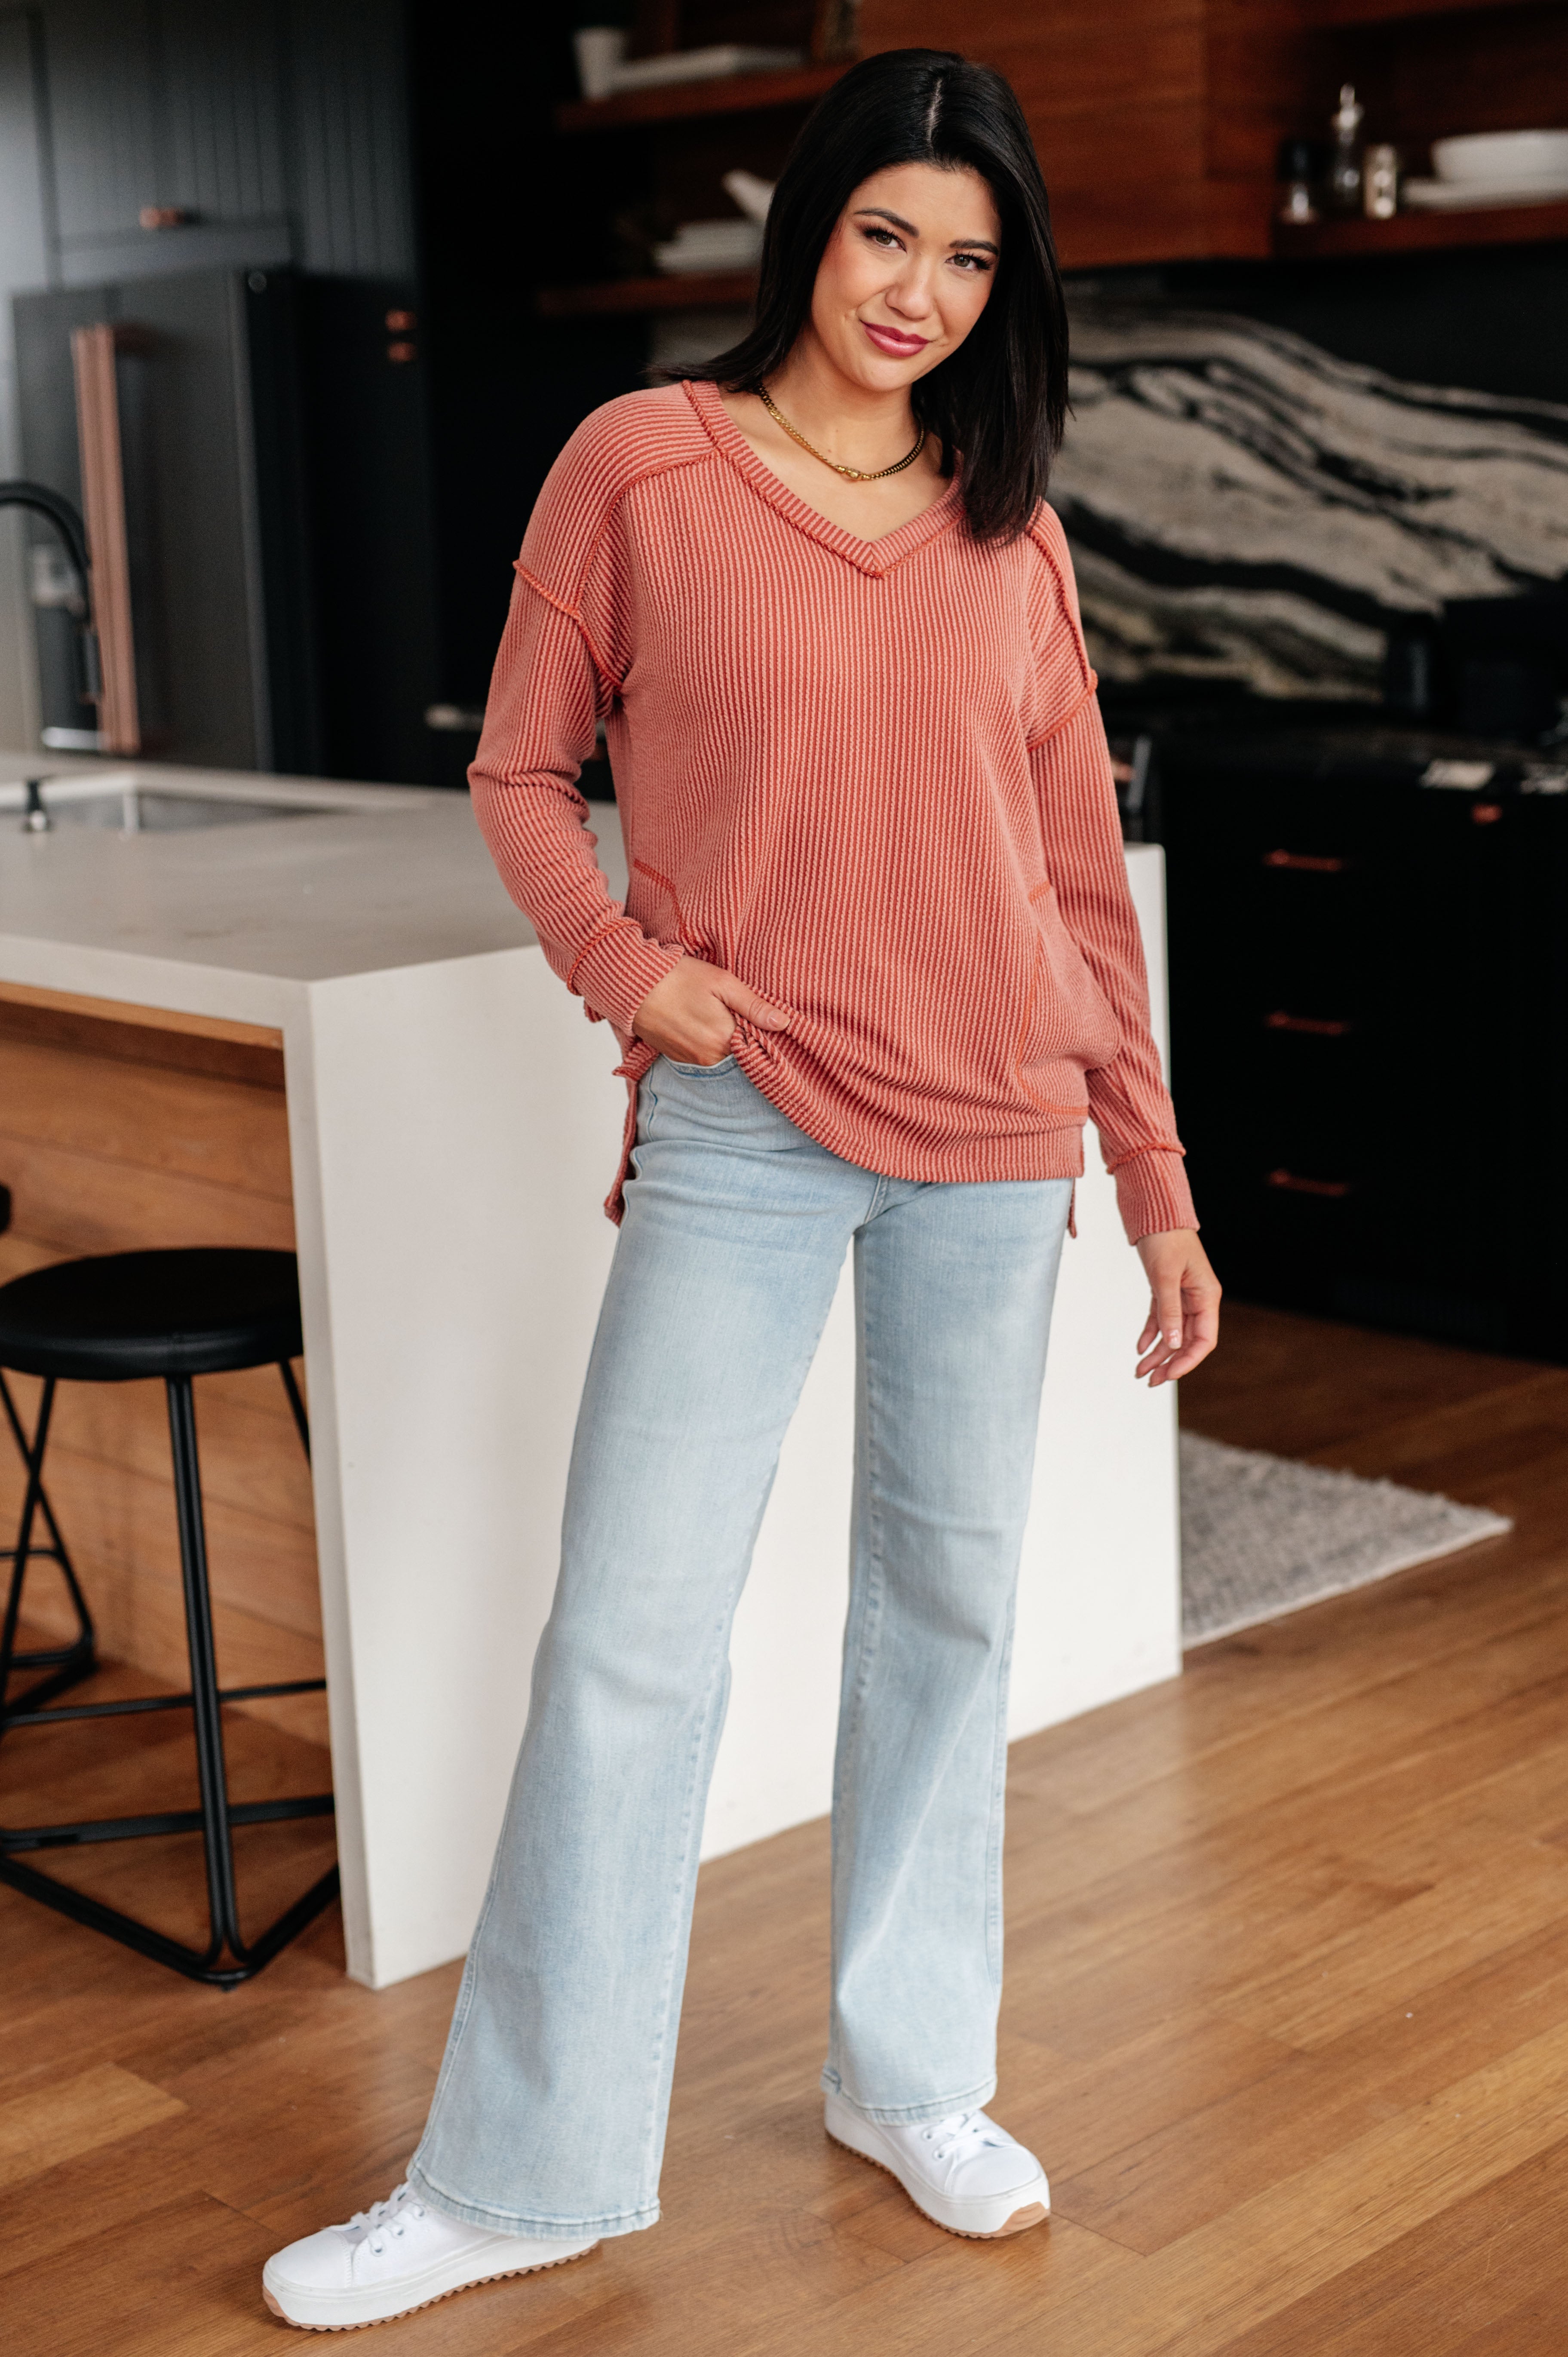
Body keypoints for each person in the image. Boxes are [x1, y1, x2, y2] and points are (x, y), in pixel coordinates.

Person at [262, 47, 1220, 2333]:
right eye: (890, 232)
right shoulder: (644, 468)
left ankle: (912, 2074)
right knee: (628, 1642)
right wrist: (622, 965)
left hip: (1001, 1139)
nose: (921, 291)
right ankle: (526, 2168)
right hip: (747, 1131)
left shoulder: (1018, 534)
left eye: (972, 259)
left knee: (943, 1615)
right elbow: (519, 768)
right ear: (810, 227)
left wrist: (1158, 1184)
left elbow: (1079, 889)